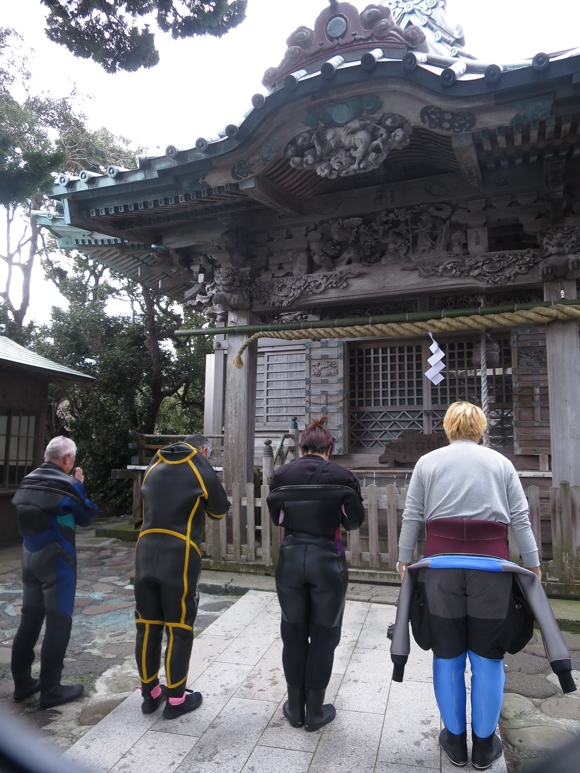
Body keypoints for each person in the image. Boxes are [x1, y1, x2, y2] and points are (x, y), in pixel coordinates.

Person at [395, 402, 544, 770]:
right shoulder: (501, 463)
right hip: (492, 567)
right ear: (481, 429)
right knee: (487, 656)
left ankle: (454, 743)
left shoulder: (427, 463)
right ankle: (483, 745)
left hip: (440, 566)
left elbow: (413, 513)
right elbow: (520, 518)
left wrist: (403, 560)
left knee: (447, 654)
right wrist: (533, 564)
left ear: (448, 428)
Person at [267, 416, 365, 732]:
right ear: (330, 448)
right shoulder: (343, 476)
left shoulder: (280, 475)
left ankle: (294, 709)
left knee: (293, 634)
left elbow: (278, 519)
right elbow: (353, 522)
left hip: (290, 561)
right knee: (324, 637)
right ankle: (314, 713)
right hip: (328, 561)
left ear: (301, 446)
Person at [134, 433, 229, 718]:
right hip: (180, 552)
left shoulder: (155, 461)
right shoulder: (199, 465)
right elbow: (220, 510)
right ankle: (176, 699)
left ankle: (150, 694)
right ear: (203, 449)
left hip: (145, 548)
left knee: (147, 624)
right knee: (179, 626)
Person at [11, 436, 99, 708]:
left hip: (29, 557)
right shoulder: (68, 484)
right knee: (59, 621)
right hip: (57, 560)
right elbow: (87, 516)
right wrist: (80, 486)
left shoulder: (28, 478)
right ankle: (51, 690)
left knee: (30, 620)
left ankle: (23, 683)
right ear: (67, 460)